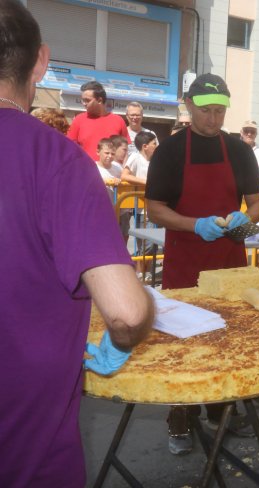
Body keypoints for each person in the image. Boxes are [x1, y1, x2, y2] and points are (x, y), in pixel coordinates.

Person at [0, 2, 154, 486]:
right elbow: (126, 313)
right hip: (27, 451)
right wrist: (127, 333)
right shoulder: (57, 159)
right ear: (41, 61)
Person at [145, 73, 259, 455]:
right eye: (206, 111)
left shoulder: (239, 151)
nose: (213, 119)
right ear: (189, 106)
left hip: (229, 260)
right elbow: (155, 209)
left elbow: (257, 204)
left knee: (225, 337)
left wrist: (246, 220)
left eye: (220, 111)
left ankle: (219, 408)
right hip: (185, 260)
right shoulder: (170, 151)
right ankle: (180, 414)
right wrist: (195, 224)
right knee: (183, 341)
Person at [123, 131, 158, 280]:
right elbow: (125, 175)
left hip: (155, 207)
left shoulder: (155, 160)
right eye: (154, 143)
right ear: (145, 146)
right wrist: (146, 183)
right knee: (146, 242)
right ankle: (139, 272)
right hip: (142, 208)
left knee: (153, 242)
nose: (156, 146)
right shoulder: (135, 157)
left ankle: (145, 272)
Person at [67, 80, 129, 161]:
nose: (84, 103)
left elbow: (126, 150)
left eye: (87, 100)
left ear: (99, 100)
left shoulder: (118, 121)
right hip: (86, 167)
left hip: (112, 168)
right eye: (83, 100)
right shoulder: (78, 120)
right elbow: (69, 148)